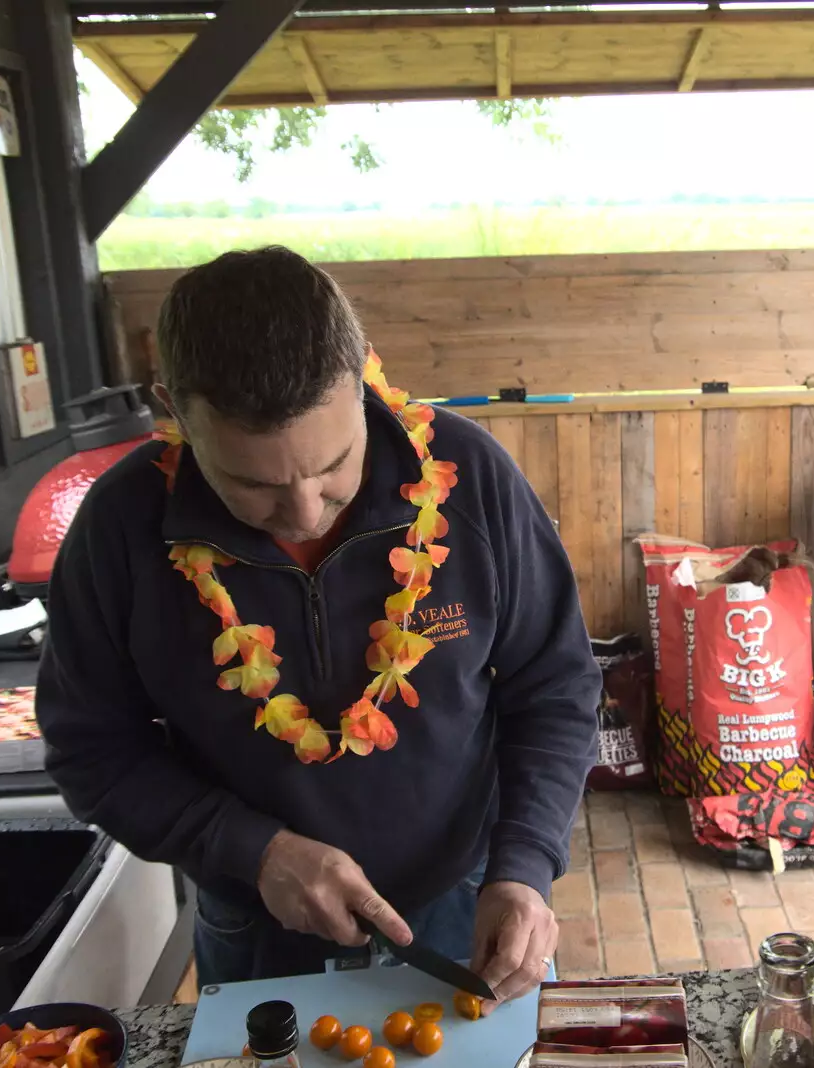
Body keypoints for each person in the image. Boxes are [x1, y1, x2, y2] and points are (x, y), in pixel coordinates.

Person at [37, 246, 600, 1006]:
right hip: (256, 924)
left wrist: (527, 865)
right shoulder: (121, 528)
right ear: (173, 410)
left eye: (334, 464)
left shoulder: (470, 479)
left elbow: (556, 684)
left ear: (362, 374)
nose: (304, 511)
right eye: (252, 482)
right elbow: (91, 750)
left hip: (468, 899)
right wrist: (251, 849)